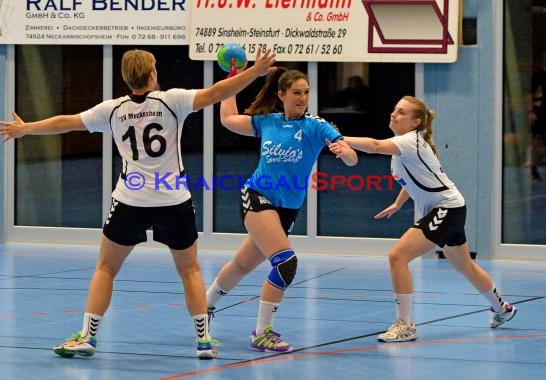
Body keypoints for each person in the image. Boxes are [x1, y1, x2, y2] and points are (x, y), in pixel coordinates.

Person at [0, 48, 277, 359]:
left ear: (126, 78)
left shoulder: (112, 110)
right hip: (173, 199)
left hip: (131, 200)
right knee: (190, 270)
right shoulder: (172, 100)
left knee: (106, 268)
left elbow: (67, 122)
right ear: (153, 75)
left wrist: (26, 128)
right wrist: (253, 73)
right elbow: (214, 94)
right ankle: (203, 341)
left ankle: (87, 336)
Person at [331, 95, 517, 342]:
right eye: (394, 110)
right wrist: (398, 203)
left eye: (401, 112)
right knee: (465, 265)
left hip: (446, 207)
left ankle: (405, 325)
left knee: (398, 256)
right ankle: (502, 308)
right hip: (451, 206)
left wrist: (339, 138)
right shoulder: (404, 147)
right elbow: (413, 180)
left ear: (415, 122)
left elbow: (374, 145)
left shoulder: (410, 141)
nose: (393, 115)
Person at [205, 66, 358, 353]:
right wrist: (231, 82)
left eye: (306, 92)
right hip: (256, 196)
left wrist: (344, 153)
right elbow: (227, 119)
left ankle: (204, 307)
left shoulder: (316, 126)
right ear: (282, 95)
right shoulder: (268, 122)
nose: (302, 98)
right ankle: (262, 333)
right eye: (297, 93)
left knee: (241, 265)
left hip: (286, 210)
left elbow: (350, 157)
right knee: (286, 263)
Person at [528, 49, 546, 181]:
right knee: (536, 142)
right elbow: (529, 95)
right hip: (539, 114)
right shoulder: (538, 76)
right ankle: (534, 170)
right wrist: (531, 111)